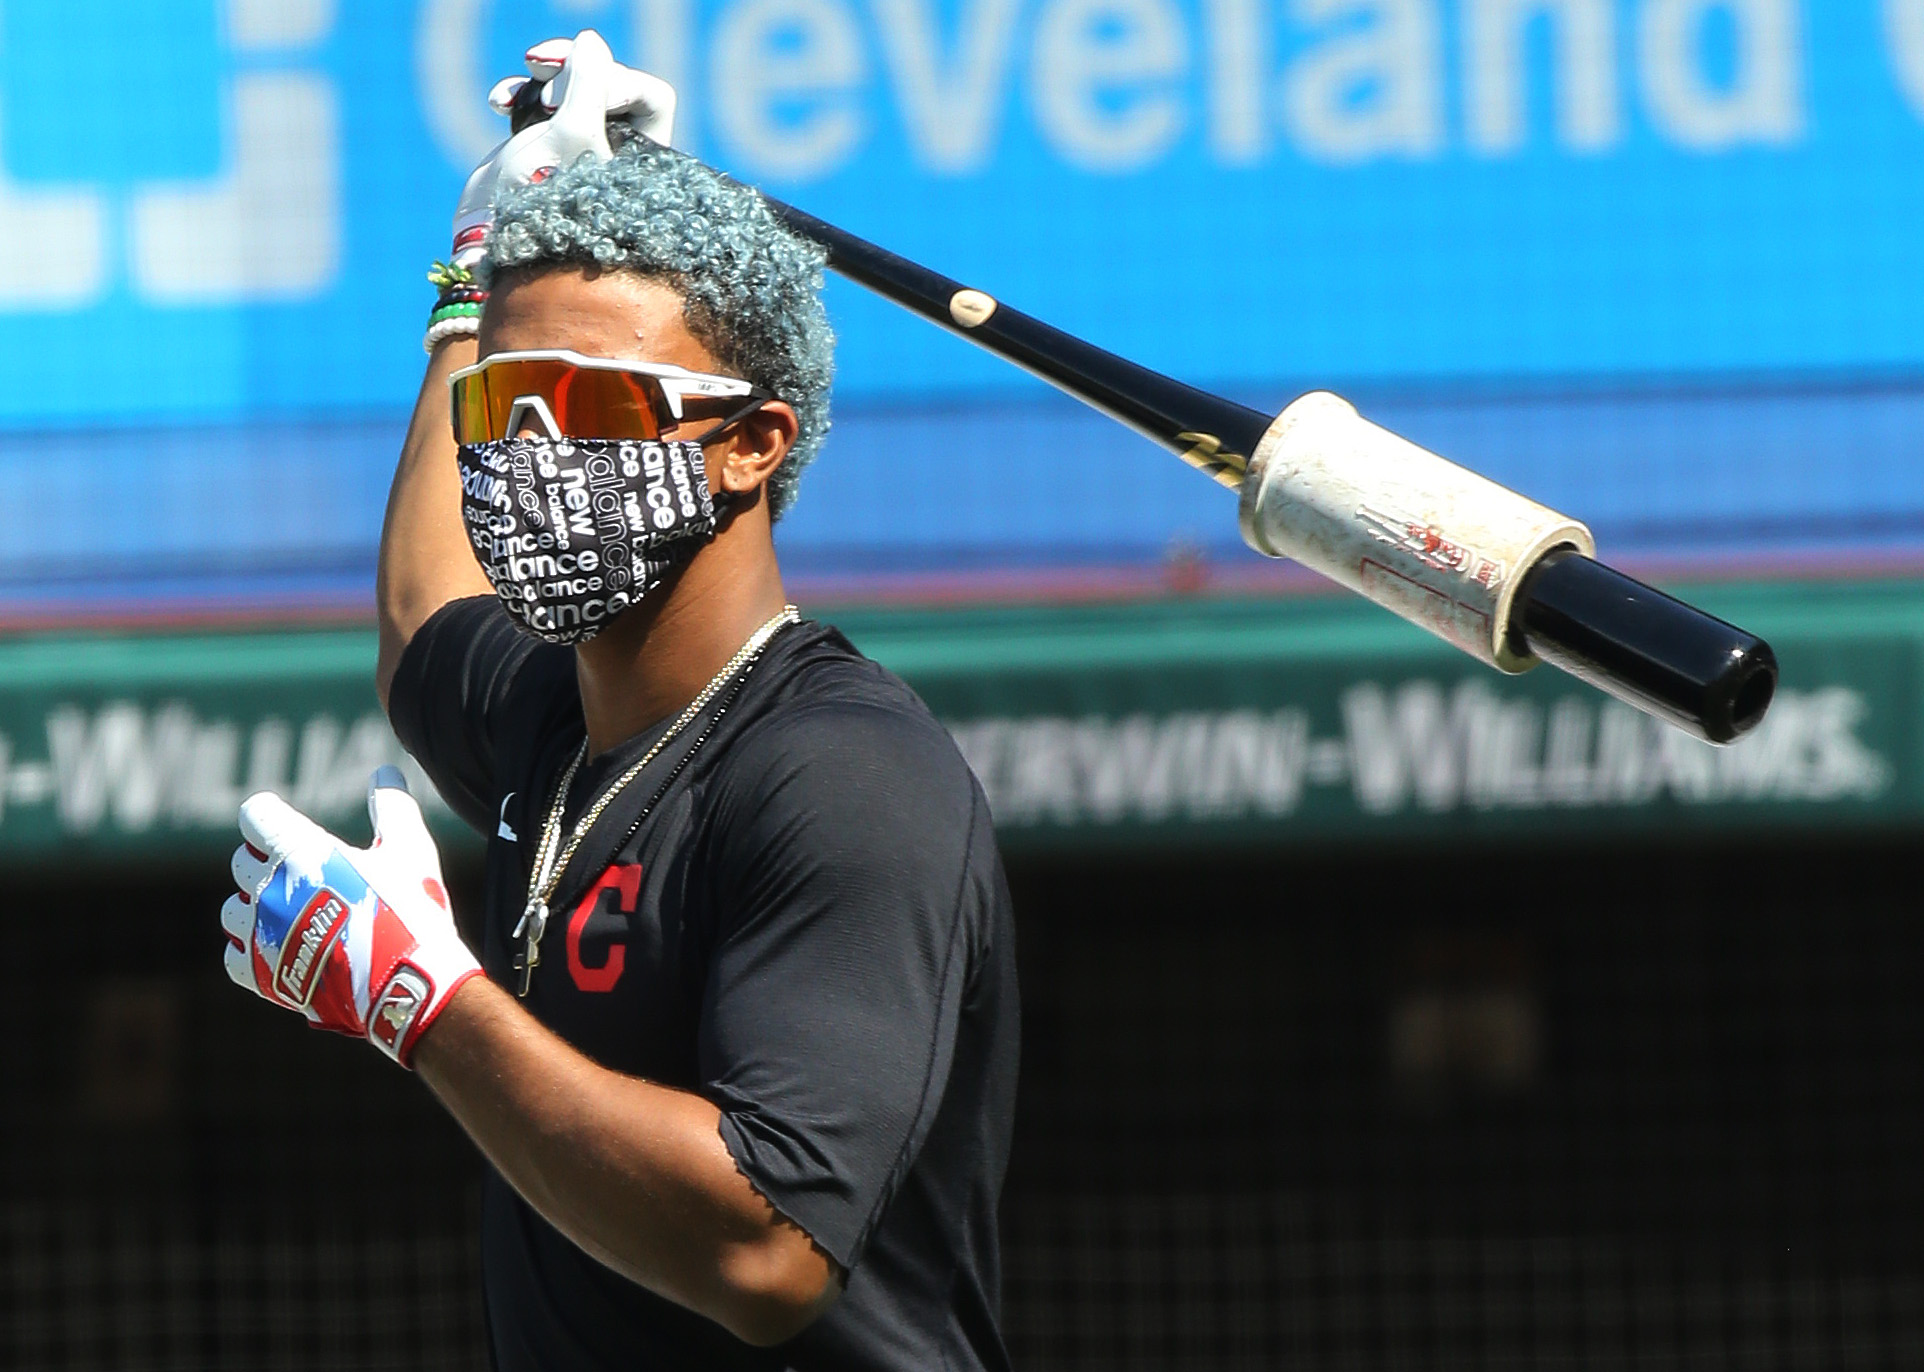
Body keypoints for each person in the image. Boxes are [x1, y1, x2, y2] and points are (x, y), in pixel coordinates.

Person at [217, 31, 1018, 1372]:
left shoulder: (845, 774)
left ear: (752, 443)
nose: (531, 449)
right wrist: (476, 250)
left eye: (588, 403)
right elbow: (424, 615)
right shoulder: (562, 724)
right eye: (506, 403)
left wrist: (427, 1003)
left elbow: (766, 1252)